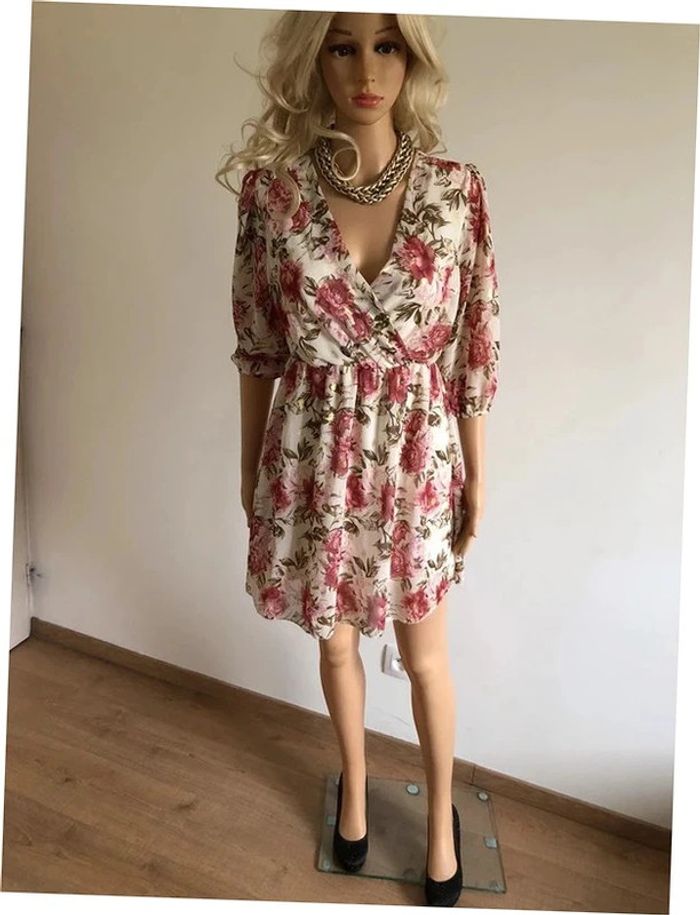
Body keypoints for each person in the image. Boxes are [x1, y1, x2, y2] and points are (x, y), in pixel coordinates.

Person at [216, 9, 501, 908]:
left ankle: (443, 819)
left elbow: (474, 346)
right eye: (343, 46)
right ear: (315, 58)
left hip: (419, 460)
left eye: (387, 45)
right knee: (336, 640)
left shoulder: (457, 192)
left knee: (426, 658)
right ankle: (355, 791)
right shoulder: (272, 195)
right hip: (312, 461)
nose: (366, 70)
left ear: (413, 59)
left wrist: (478, 472)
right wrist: (249, 468)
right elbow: (259, 347)